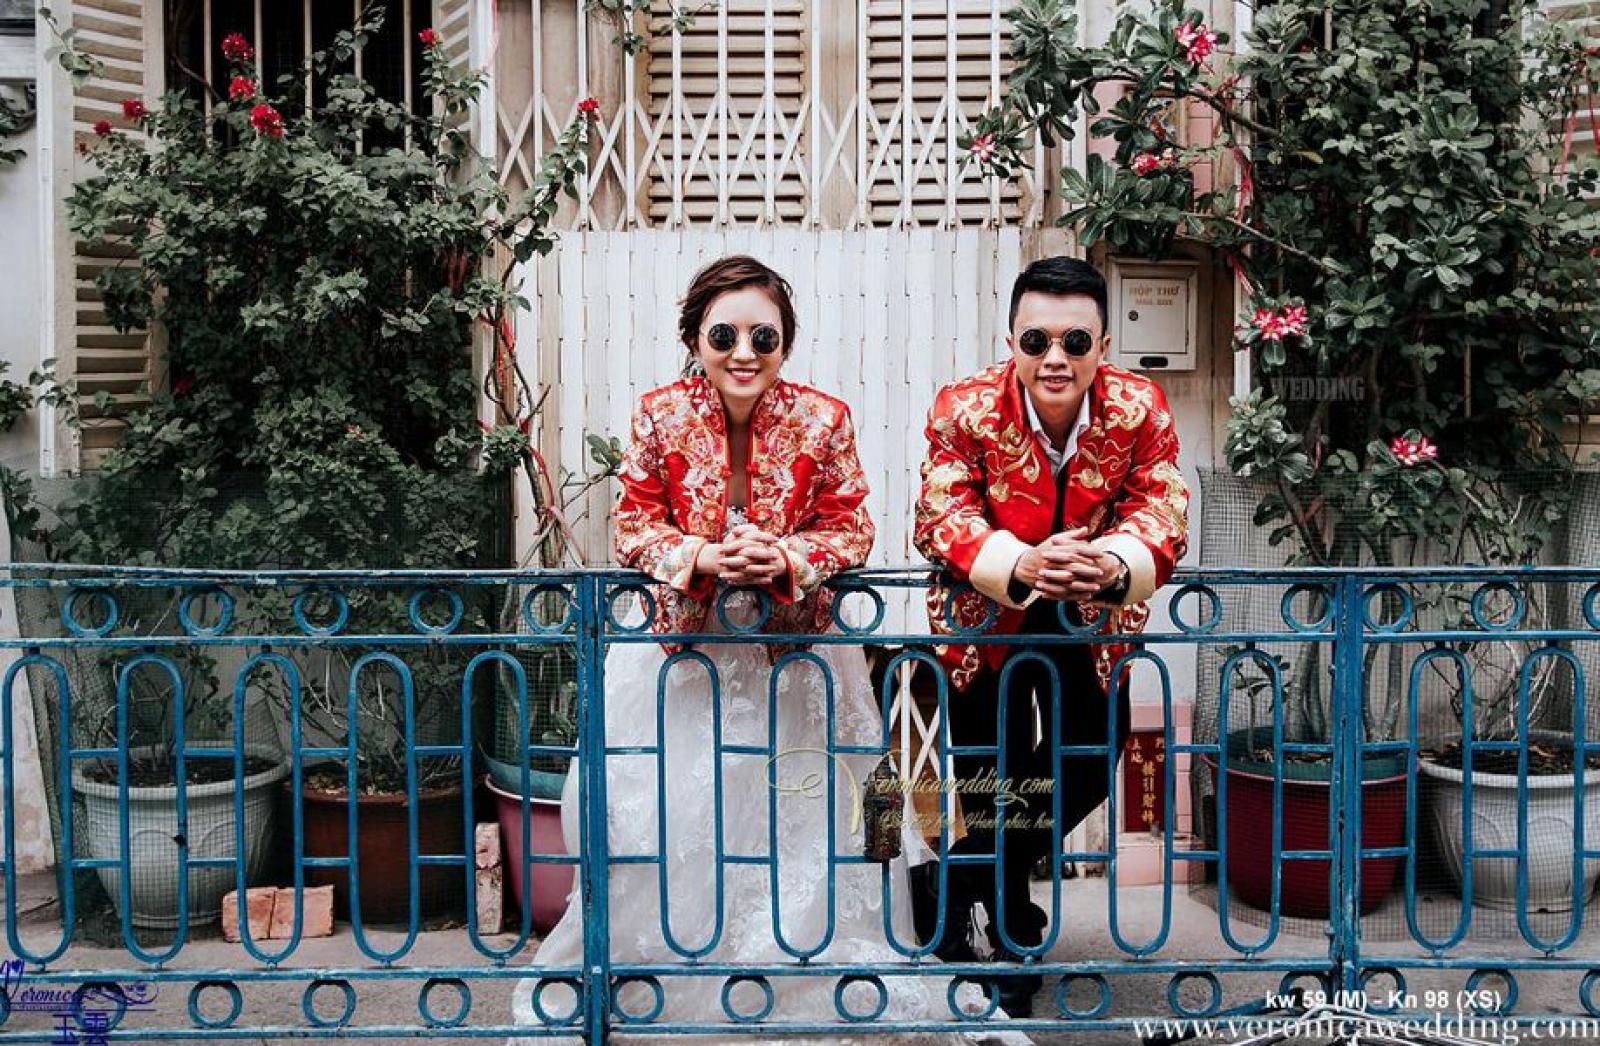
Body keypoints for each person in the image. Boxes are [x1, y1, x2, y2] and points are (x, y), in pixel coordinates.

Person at [513, 255, 1027, 1044]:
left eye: (765, 336)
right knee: (672, 813)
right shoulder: (657, 416)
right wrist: (702, 557)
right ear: (695, 338)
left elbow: (852, 525)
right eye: (724, 335)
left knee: (828, 812)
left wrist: (787, 557)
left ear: (786, 341)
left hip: (801, 656)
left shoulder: (826, 419)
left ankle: (806, 957)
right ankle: (672, 961)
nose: (744, 352)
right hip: (684, 654)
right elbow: (634, 525)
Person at [912, 256, 1190, 1018]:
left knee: (1090, 764)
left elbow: (1161, 506)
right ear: (1012, 342)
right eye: (1036, 341)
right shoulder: (963, 408)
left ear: (1104, 346)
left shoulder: (1140, 407)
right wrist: (1022, 562)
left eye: (1075, 341)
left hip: (1090, 621)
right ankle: (1013, 940)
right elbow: (939, 513)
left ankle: (953, 878)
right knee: (990, 777)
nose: (1055, 359)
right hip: (984, 621)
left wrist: (1111, 562)